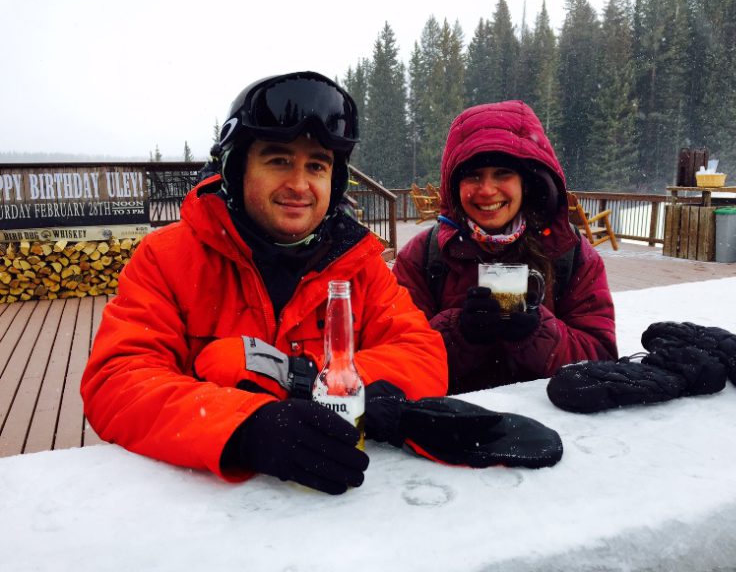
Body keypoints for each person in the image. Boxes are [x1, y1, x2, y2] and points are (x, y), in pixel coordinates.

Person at [81, 71, 448, 495]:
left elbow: (423, 356)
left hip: (340, 510)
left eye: (316, 165)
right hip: (207, 512)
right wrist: (243, 427)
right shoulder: (168, 258)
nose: (299, 184)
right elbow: (118, 381)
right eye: (278, 160)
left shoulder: (356, 265)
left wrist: (300, 381)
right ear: (237, 169)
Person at [393, 100, 617, 394]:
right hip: (453, 428)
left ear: (527, 181)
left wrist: (538, 331)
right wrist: (459, 333)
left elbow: (601, 360)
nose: (487, 190)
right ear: (454, 185)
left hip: (551, 428)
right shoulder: (422, 256)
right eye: (473, 175)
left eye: (502, 173)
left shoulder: (569, 252)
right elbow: (397, 358)